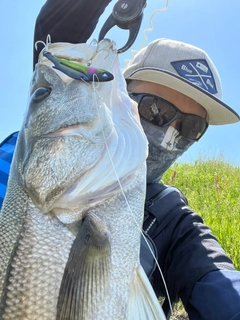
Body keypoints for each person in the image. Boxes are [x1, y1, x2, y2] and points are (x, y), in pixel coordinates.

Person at [1, 1, 240, 319]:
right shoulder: (19, 158)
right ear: (121, 92)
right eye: (157, 110)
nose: (169, 135)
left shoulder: (174, 217)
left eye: (190, 128)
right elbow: (58, 42)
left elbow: (221, 284)